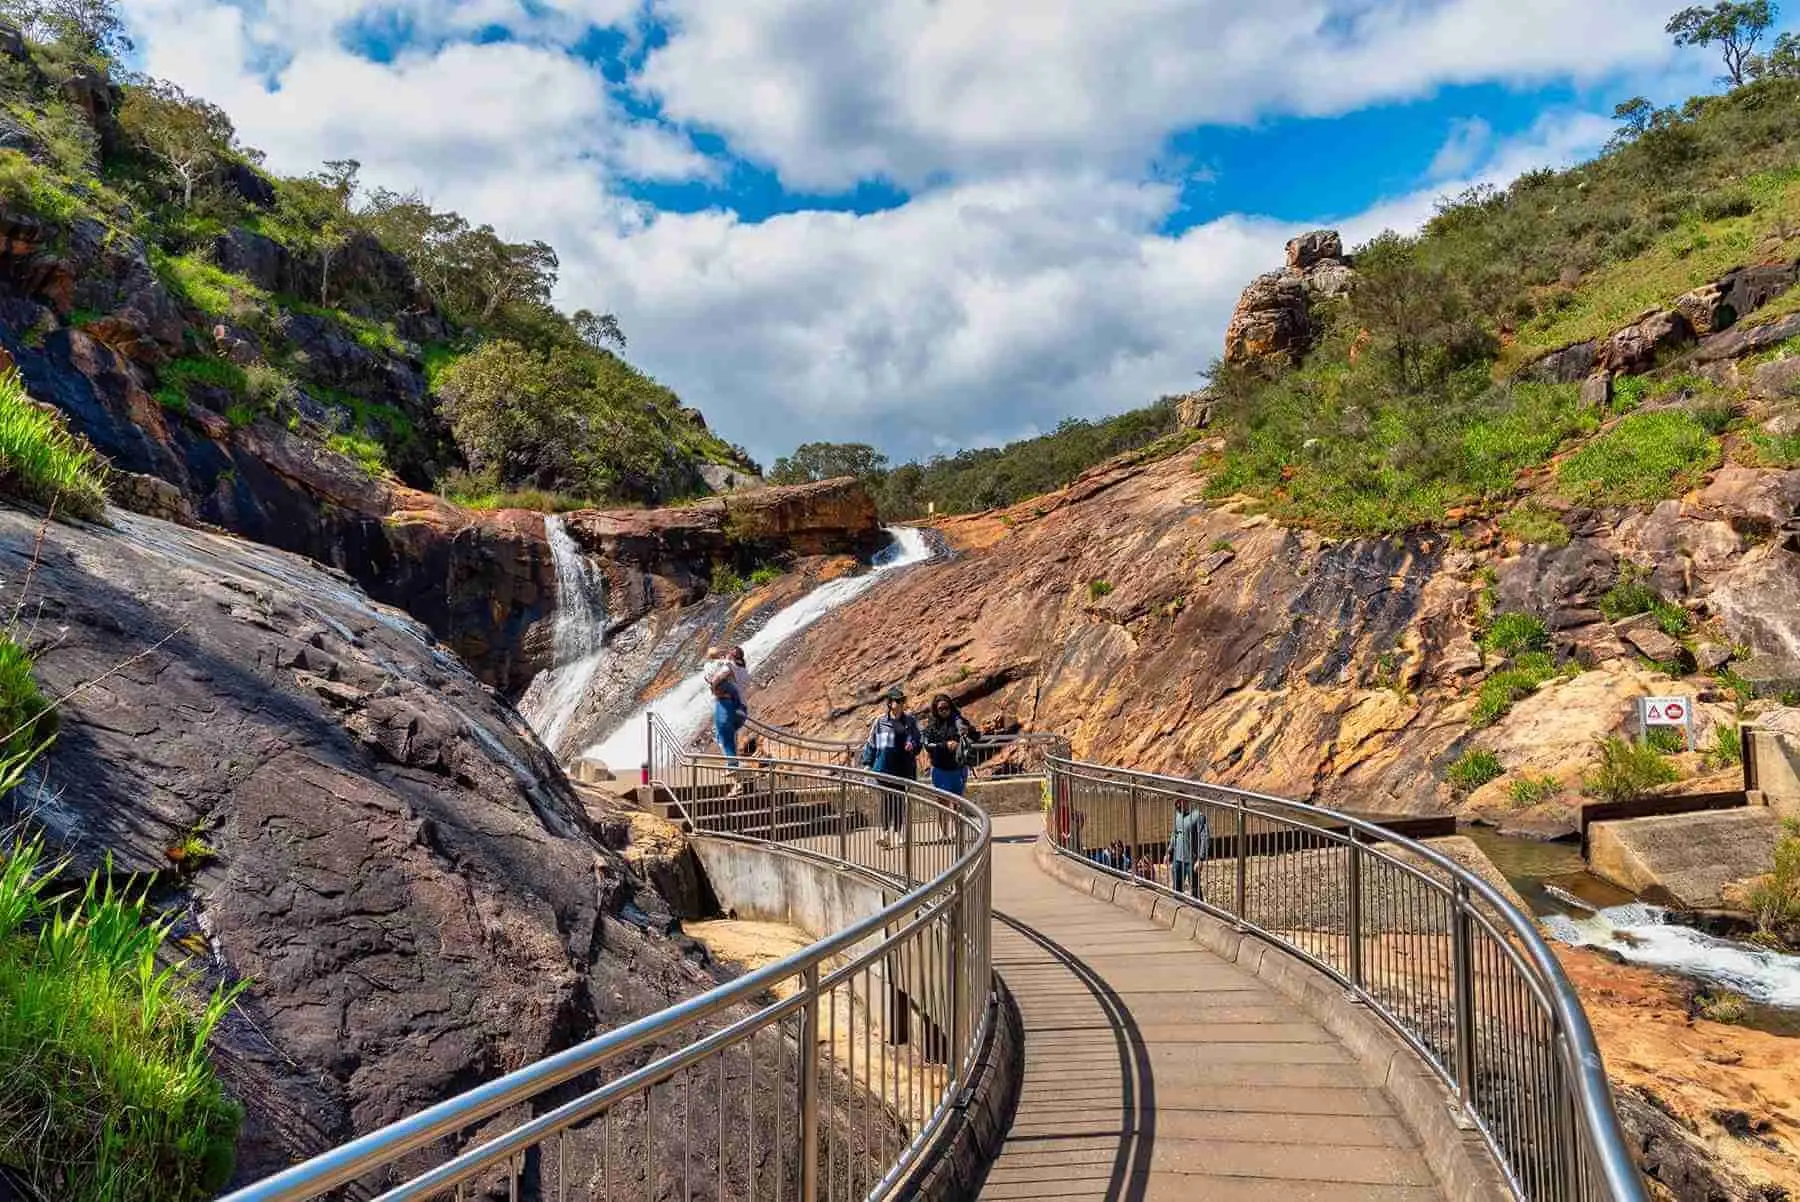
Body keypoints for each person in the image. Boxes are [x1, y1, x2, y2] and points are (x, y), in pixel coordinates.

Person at [861, 686, 921, 848]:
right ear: (890, 703)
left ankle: (899, 834)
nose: (901, 703)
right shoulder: (880, 722)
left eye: (903, 700)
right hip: (884, 768)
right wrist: (867, 763)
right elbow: (871, 743)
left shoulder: (910, 721)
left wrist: (913, 745)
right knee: (886, 801)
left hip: (904, 768)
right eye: (898, 700)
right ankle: (885, 834)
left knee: (900, 801)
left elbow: (918, 741)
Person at [922, 694, 978, 842]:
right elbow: (927, 744)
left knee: (958, 802)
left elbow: (976, 736)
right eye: (941, 708)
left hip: (958, 768)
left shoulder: (959, 721)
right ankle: (944, 834)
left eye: (947, 707)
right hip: (940, 769)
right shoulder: (932, 725)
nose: (944, 711)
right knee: (942, 803)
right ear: (936, 709)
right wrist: (945, 745)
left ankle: (958, 833)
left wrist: (969, 731)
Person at [702, 646, 747, 768]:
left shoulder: (728, 665)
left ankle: (733, 765)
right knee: (727, 735)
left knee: (724, 735)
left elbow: (721, 674)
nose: (725, 655)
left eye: (728, 653)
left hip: (727, 704)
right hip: (742, 708)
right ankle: (734, 762)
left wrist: (713, 685)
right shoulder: (743, 669)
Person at [1169, 799, 1196, 897]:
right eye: (1176, 803)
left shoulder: (1196, 816)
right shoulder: (1177, 815)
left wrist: (1200, 858)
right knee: (1176, 886)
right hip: (1177, 857)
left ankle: (1199, 907)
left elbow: (1203, 837)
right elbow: (1174, 834)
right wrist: (1169, 851)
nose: (1178, 805)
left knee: (1194, 886)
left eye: (1180, 802)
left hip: (1191, 858)